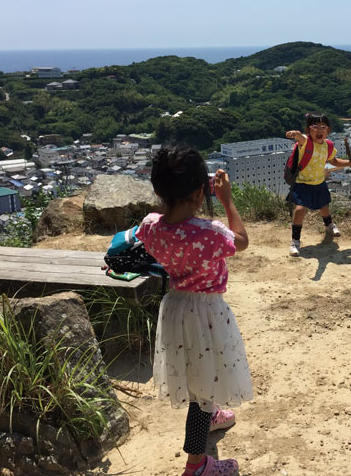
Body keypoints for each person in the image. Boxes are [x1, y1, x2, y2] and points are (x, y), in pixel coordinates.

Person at [137, 144, 251, 476]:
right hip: (207, 314)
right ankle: (197, 466)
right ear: (200, 191)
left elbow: (150, 236)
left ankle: (210, 413)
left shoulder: (150, 226)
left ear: (158, 190)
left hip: (174, 307)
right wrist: (228, 199)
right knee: (201, 390)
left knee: (196, 372)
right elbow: (241, 240)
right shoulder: (210, 232)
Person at [285, 112, 351, 257]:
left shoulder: (328, 146)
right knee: (299, 210)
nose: (319, 130)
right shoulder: (306, 143)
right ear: (308, 130)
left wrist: (349, 163)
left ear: (328, 130)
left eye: (323, 127)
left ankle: (329, 225)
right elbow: (299, 137)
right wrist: (295, 134)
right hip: (302, 183)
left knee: (324, 206)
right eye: (315, 127)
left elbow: (334, 161)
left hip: (319, 182)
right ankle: (295, 241)